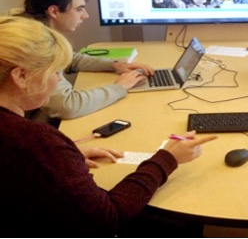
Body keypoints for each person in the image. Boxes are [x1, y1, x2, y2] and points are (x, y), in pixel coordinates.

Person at [0, 16, 217, 237]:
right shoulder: (36, 141)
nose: (58, 81)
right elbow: (107, 218)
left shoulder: (27, 142)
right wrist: (167, 158)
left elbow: (24, 166)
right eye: (56, 72)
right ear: (21, 76)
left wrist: (65, 157)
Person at [17, 0, 155, 125]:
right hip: (30, 123)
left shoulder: (27, 26)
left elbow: (70, 59)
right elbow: (67, 106)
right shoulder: (35, 45)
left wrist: (115, 65)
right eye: (79, 9)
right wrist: (119, 87)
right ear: (54, 11)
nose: (86, 16)